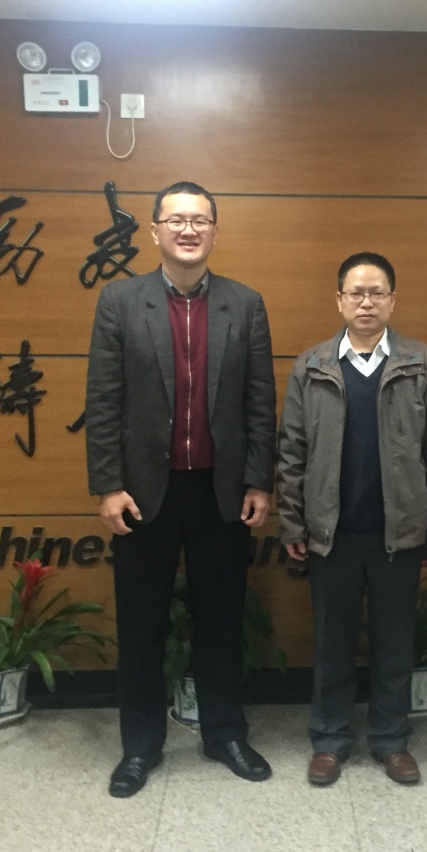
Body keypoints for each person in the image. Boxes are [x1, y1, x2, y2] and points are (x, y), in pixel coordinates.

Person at [85, 181, 277, 798]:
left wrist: (259, 479)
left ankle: (224, 734)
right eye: (176, 219)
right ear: (155, 231)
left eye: (200, 220)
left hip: (221, 492)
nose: (188, 230)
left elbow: (259, 401)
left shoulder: (245, 304)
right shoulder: (120, 302)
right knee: (141, 624)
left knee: (221, 620)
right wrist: (108, 485)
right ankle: (141, 746)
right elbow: (103, 400)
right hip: (144, 493)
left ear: (215, 231)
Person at [277, 252, 427, 787]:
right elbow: (290, 452)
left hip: (398, 533)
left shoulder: (420, 363)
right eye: (355, 293)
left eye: (376, 292)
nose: (366, 302)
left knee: (394, 643)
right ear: (339, 300)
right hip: (331, 533)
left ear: (392, 300)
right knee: (331, 643)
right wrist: (292, 524)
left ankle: (390, 740)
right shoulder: (311, 366)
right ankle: (330, 740)